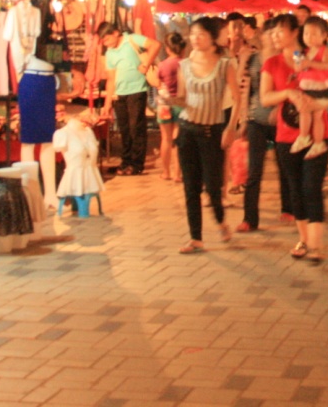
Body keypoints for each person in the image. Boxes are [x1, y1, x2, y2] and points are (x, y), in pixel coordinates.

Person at [260, 14, 328, 264]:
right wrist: (288, 92)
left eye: (280, 31)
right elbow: (265, 98)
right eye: (273, 32)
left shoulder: (314, 55)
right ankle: (304, 239)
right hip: (286, 137)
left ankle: (317, 245)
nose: (275, 36)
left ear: (295, 32)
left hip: (317, 135)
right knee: (295, 190)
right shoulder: (272, 63)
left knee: (312, 187)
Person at [169, 16, 242, 254]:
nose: (195, 38)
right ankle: (195, 238)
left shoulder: (224, 64)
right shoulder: (184, 65)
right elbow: (182, 98)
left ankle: (221, 221)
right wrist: (168, 99)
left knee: (212, 186)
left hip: (212, 132)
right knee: (190, 187)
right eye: (192, 34)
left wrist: (231, 128)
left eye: (200, 34)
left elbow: (237, 98)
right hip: (188, 130)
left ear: (212, 38)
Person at [240, 15, 289, 232]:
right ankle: (249, 219)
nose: (271, 37)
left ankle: (288, 209)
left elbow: (298, 85)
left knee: (285, 166)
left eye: (275, 33)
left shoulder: (289, 58)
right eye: (268, 32)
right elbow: (245, 92)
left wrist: (280, 108)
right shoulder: (253, 59)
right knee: (254, 171)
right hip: (256, 120)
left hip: (282, 121)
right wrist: (242, 119)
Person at [97, 21, 159, 177]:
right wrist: (107, 103)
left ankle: (137, 164)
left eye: (106, 39)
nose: (105, 43)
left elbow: (155, 45)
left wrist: (146, 64)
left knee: (136, 127)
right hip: (120, 94)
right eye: (103, 40)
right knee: (124, 129)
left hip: (137, 90)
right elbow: (111, 79)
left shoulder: (132, 39)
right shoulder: (110, 53)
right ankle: (126, 162)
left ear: (115, 33)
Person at [291, 16, 328, 159]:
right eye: (306, 34)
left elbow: (326, 66)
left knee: (307, 112)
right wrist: (297, 67)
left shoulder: (326, 51)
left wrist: (309, 64)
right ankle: (316, 141)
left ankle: (307, 137)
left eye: (313, 34)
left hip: (322, 88)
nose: (309, 37)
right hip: (308, 86)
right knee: (314, 115)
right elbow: (298, 68)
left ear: (324, 35)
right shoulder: (303, 52)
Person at [154, 33, 186, 182]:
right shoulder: (186, 63)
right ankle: (177, 174)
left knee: (165, 139)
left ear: (167, 48)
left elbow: (156, 82)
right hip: (180, 104)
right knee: (177, 139)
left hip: (164, 105)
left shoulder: (162, 65)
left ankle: (166, 171)